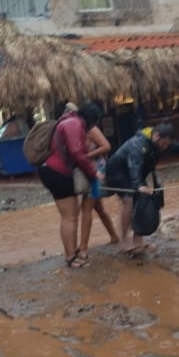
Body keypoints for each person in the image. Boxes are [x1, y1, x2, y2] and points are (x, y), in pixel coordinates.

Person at [106, 122, 179, 255]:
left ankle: (137, 240)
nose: (165, 147)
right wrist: (138, 185)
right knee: (128, 201)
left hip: (136, 173)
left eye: (166, 145)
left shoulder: (159, 140)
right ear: (157, 136)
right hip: (118, 172)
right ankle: (123, 241)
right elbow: (134, 165)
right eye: (164, 144)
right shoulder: (139, 144)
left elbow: (174, 145)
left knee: (142, 201)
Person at [38, 102, 104, 268]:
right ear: (91, 119)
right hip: (57, 172)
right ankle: (70, 257)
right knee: (69, 217)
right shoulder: (74, 124)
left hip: (54, 171)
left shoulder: (69, 121)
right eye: (95, 122)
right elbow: (76, 152)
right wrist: (94, 172)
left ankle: (71, 253)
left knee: (70, 216)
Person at [74, 103, 120, 258]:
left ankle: (83, 248)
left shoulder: (91, 129)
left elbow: (106, 146)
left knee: (86, 209)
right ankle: (114, 237)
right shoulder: (81, 128)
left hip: (95, 173)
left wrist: (86, 157)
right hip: (90, 172)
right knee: (98, 208)